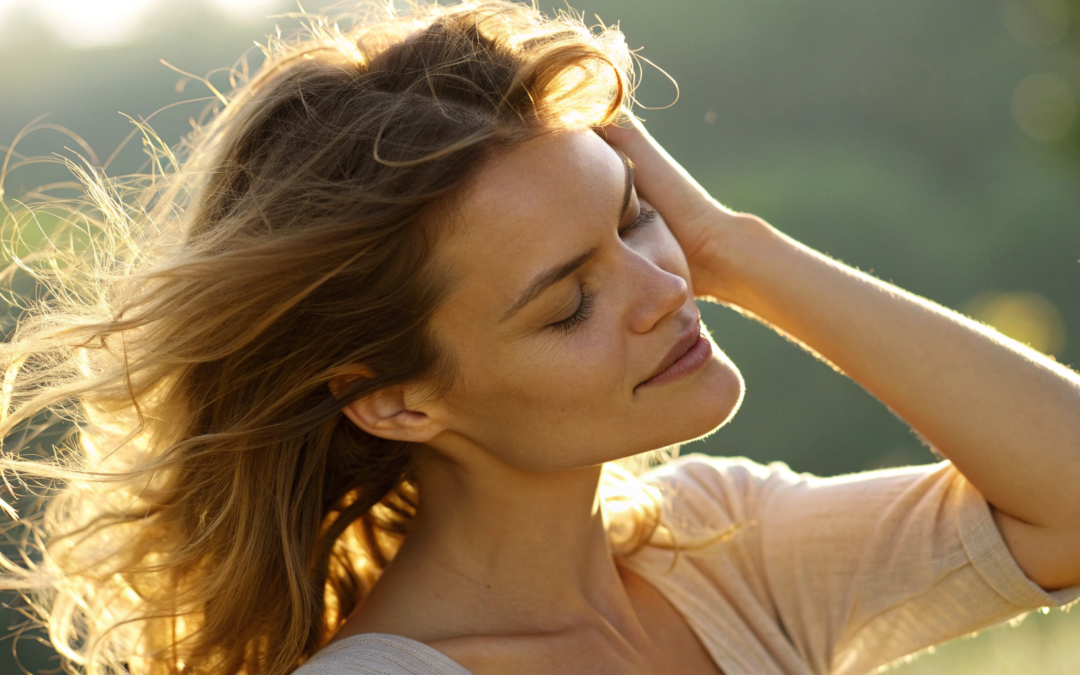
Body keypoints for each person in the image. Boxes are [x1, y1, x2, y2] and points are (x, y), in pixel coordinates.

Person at [1, 1, 1078, 673]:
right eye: (566, 305)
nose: (663, 288)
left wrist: (734, 247)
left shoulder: (720, 550)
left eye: (633, 217)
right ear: (398, 398)